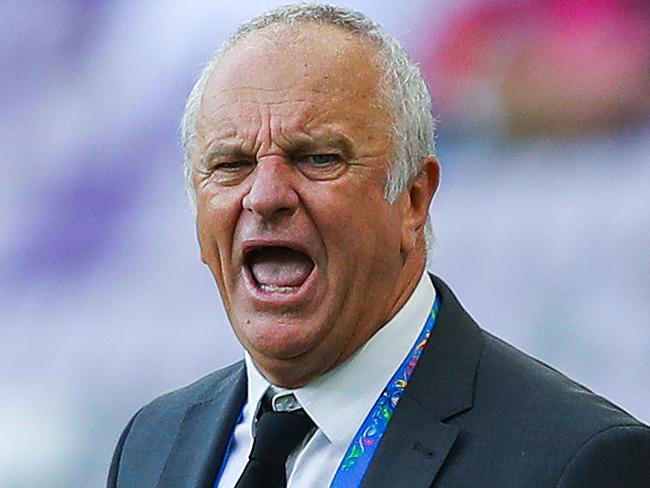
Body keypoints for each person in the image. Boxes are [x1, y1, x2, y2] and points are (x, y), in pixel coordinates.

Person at [107, 4, 650, 487]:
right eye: (231, 165)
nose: (265, 196)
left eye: (318, 158)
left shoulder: (577, 462)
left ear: (413, 200)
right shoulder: (151, 446)